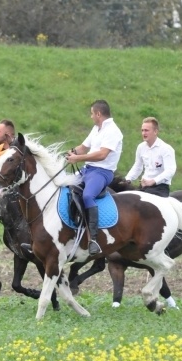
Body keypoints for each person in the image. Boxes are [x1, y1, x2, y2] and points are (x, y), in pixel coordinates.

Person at [66, 100, 123, 255]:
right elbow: (83, 147)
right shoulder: (96, 128)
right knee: (64, 186)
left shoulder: (113, 131)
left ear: (98, 114)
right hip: (88, 169)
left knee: (88, 195)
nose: (91, 117)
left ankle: (93, 240)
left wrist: (78, 159)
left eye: (92, 113)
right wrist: (69, 153)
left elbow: (102, 154)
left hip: (102, 172)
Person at [124, 117, 177, 197]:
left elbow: (170, 170)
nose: (143, 133)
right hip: (144, 187)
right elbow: (138, 166)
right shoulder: (141, 147)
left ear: (155, 131)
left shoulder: (166, 148)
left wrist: (153, 181)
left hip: (160, 188)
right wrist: (127, 180)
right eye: (142, 130)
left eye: (146, 130)